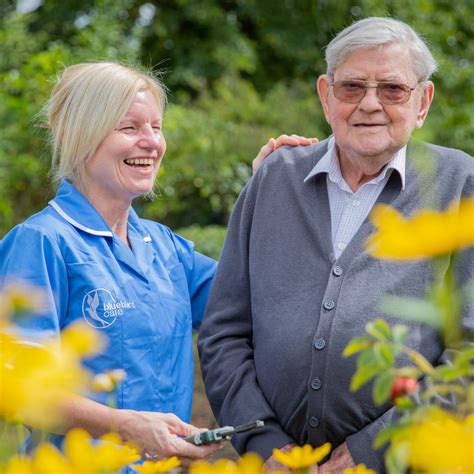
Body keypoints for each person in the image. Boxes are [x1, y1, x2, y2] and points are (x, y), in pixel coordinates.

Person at [0, 62, 316, 464]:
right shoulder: (41, 242)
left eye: (156, 127)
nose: (151, 142)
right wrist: (126, 427)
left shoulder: (165, 248)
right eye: (129, 128)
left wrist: (265, 194)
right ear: (73, 135)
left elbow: (256, 299)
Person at [198, 17, 474, 473]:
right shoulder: (274, 179)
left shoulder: (460, 184)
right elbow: (224, 332)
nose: (370, 104)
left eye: (392, 89)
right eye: (352, 88)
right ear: (326, 96)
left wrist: (373, 450)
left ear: (422, 102)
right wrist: (264, 444)